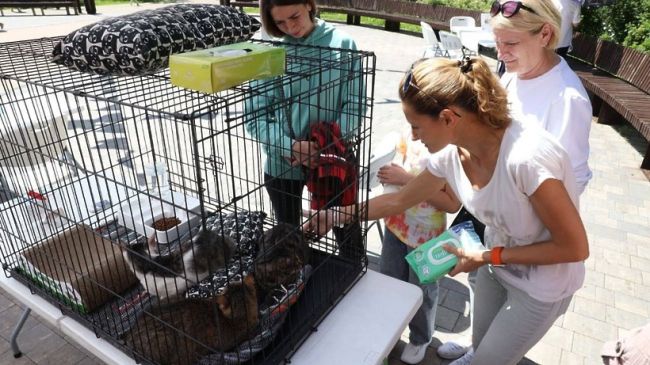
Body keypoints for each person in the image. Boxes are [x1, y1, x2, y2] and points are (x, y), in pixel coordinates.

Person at [304, 56, 589, 365]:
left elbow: (574, 247)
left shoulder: (527, 159)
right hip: (498, 261)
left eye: (416, 127)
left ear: (448, 118)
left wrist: (486, 257)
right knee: (480, 346)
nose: (412, 136)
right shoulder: (453, 153)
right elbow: (398, 201)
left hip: (542, 283)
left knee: (490, 361)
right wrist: (334, 216)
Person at [438, 1, 593, 361]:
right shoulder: (513, 74)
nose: (501, 54)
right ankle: (477, 351)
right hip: (499, 238)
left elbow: (571, 185)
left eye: (510, 44)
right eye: (497, 44)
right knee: (483, 329)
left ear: (545, 34)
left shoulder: (567, 100)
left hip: (540, 260)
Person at [245, 0, 365, 261]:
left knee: (349, 237)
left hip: (334, 161)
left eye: (295, 16)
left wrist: (326, 146)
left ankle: (355, 277)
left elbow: (355, 105)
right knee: (288, 242)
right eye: (280, 23)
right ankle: (295, 286)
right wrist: (289, 146)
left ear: (309, 5)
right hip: (283, 164)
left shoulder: (343, 44)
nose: (290, 27)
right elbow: (255, 117)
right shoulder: (270, 52)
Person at [376, 130, 459, 364]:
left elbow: (452, 203)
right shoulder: (409, 134)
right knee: (390, 280)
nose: (413, 132)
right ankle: (390, 331)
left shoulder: (450, 151)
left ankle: (420, 338)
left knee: (423, 290)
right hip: (396, 225)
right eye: (409, 123)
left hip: (427, 238)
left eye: (417, 124)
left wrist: (405, 179)